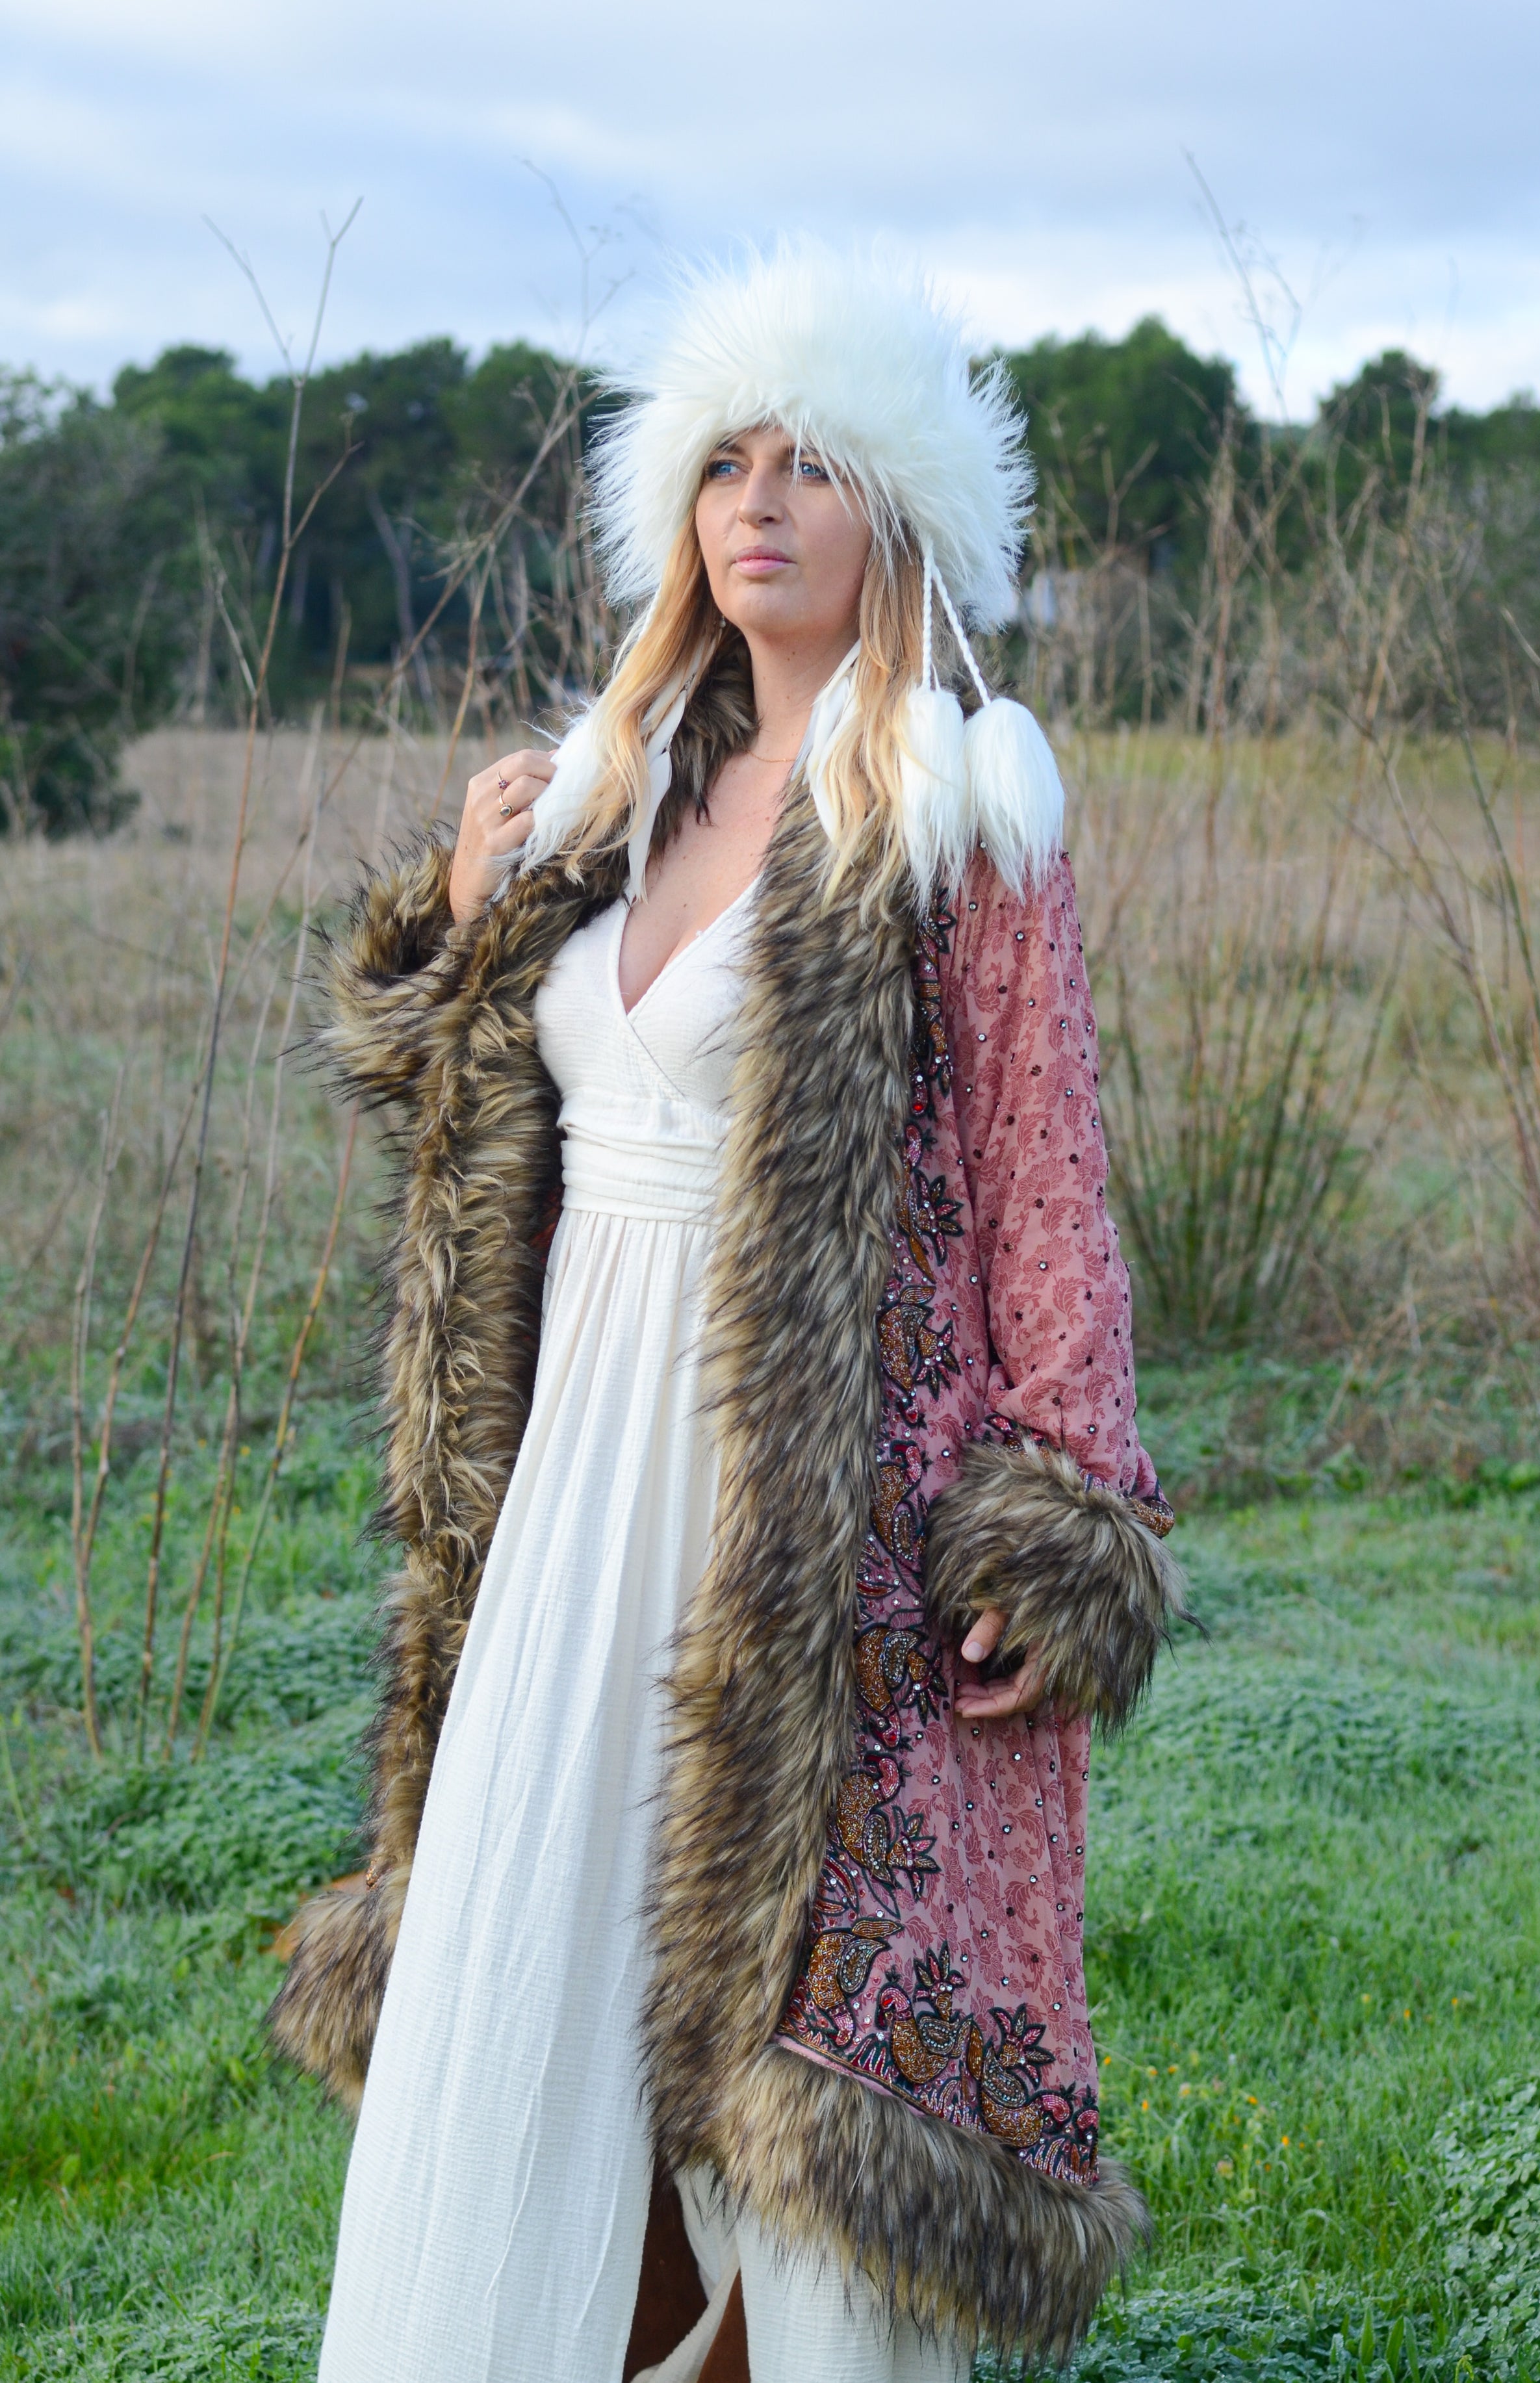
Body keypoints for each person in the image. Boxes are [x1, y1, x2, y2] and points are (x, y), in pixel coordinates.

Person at [272, 244, 1183, 2383]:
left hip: (804, 1515)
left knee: (788, 2052)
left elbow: (1051, 1189)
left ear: (898, 517)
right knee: (525, 1973)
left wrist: (1061, 1522)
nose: (759, 502)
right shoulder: (608, 792)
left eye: (814, 465)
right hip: (572, 1488)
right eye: (725, 462)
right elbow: (475, 1135)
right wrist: (465, 930)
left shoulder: (952, 801)